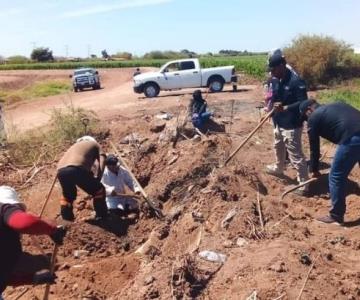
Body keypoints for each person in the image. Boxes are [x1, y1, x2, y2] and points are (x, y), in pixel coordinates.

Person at [299, 99, 360, 224]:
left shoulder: (314, 117)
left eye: (305, 116)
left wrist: (314, 169)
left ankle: (336, 215)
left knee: (336, 176)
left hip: (352, 138)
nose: (306, 119)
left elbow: (314, 148)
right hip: (355, 133)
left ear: (309, 110)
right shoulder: (337, 104)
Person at [0, 186, 66, 296]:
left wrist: (32, 278)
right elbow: (24, 222)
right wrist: (52, 230)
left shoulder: (5, 243)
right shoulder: (3, 209)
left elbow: (4, 275)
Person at [265, 51, 309, 195]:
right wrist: (273, 108)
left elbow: (303, 102)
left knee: (295, 154)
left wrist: (286, 107)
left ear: (282, 66)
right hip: (278, 121)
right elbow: (276, 98)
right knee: (278, 146)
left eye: (273, 69)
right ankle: (279, 168)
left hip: (291, 124)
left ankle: (303, 184)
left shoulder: (296, 81)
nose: (272, 73)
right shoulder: (277, 79)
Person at [57, 136, 107, 221]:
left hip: (61, 171)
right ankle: (102, 216)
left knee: (68, 196)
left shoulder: (73, 147)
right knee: (99, 190)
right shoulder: (94, 144)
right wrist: (98, 178)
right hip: (76, 169)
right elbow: (102, 159)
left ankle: (67, 219)